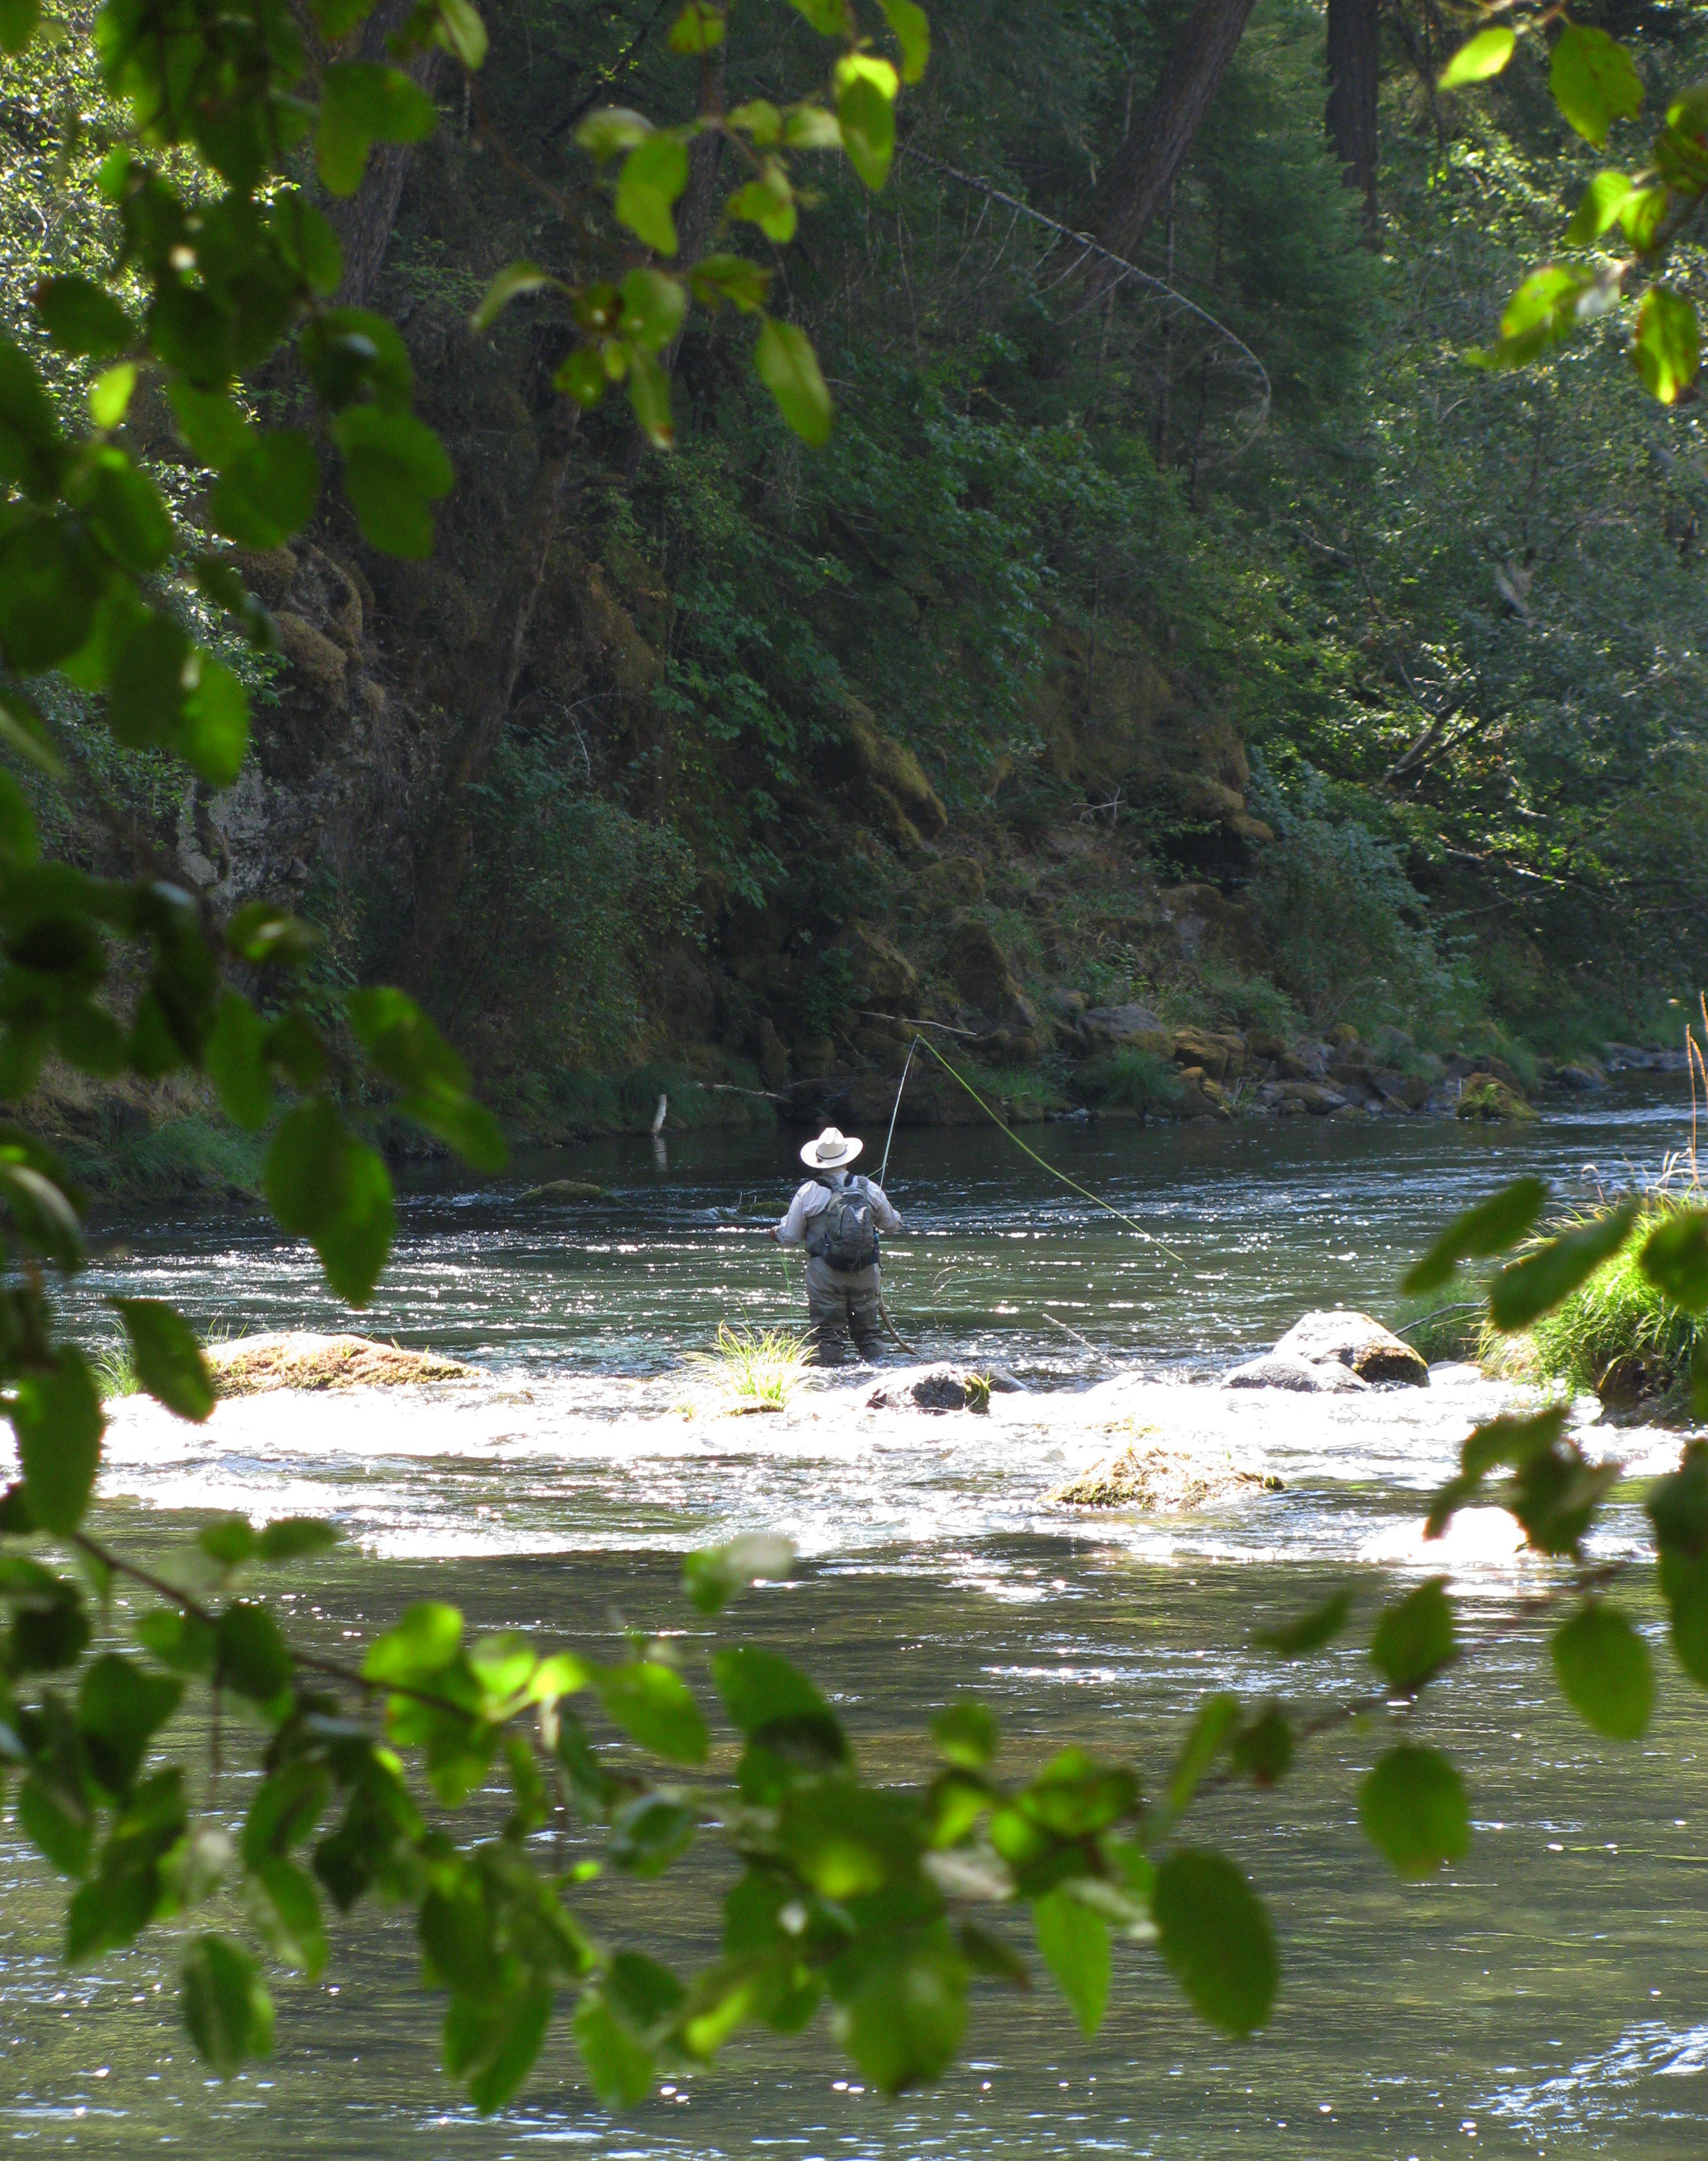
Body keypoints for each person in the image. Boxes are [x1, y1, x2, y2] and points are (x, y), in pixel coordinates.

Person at [772, 1126, 901, 1362]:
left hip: (825, 1275)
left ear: (818, 1160)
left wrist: (775, 1232)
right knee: (869, 1334)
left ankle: (834, 1382)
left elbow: (789, 1237)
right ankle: (882, 1376)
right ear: (846, 1157)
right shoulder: (869, 1188)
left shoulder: (808, 1192)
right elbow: (893, 1224)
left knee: (828, 1337)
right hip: (865, 1272)